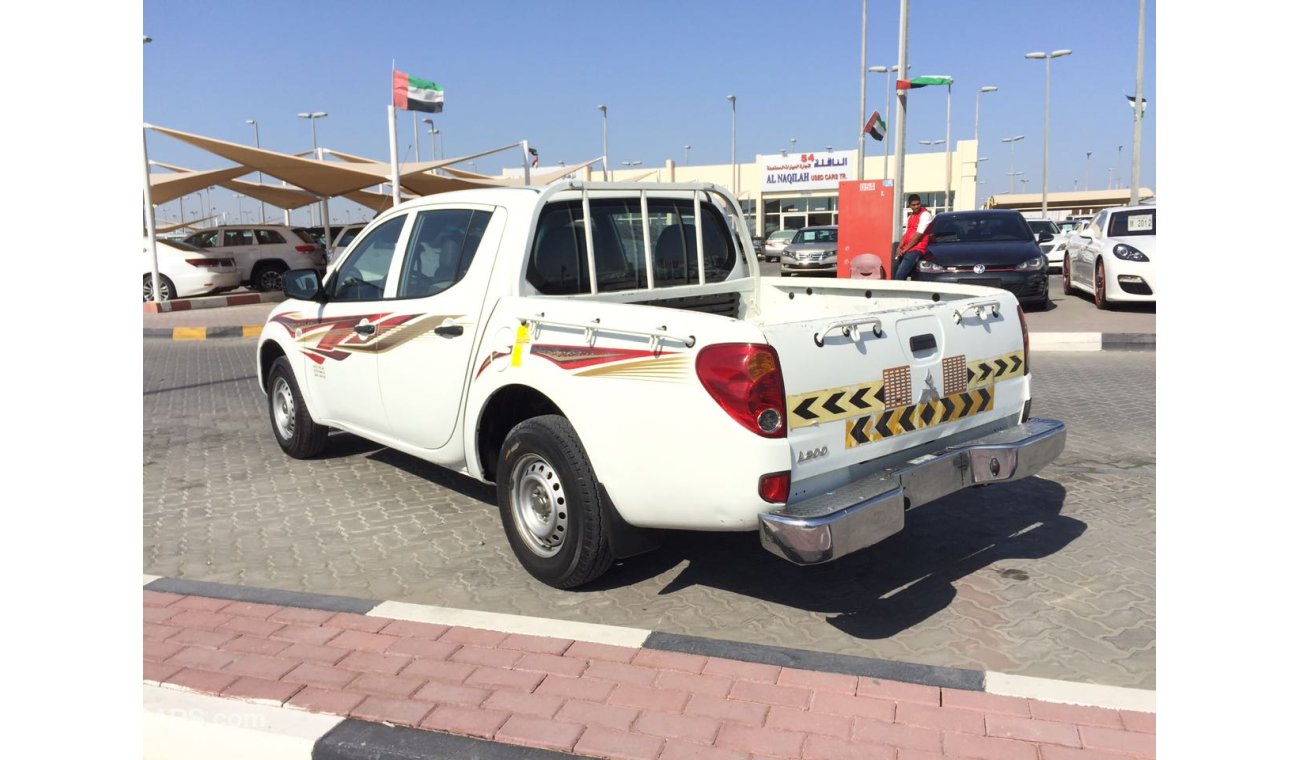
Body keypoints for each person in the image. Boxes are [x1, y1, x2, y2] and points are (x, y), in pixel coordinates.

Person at [892, 194, 933, 280]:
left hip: (917, 249)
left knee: (899, 276)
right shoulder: (910, 217)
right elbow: (906, 233)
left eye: (918, 204)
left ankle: (898, 291)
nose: (916, 206)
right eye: (913, 205)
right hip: (906, 249)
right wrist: (899, 247)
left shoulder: (925, 215)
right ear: (909, 205)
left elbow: (918, 235)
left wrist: (904, 249)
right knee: (895, 271)